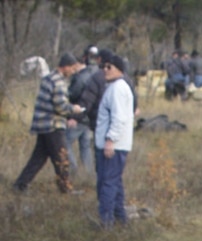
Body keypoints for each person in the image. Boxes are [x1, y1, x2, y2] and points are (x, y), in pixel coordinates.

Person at [13, 53, 83, 194]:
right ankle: (65, 188)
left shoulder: (48, 78)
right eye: (72, 68)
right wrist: (74, 109)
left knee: (38, 158)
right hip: (53, 125)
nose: (73, 71)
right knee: (61, 157)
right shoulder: (58, 82)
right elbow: (61, 106)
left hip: (42, 124)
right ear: (65, 67)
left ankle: (20, 184)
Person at [93, 53, 134, 228]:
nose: (105, 70)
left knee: (107, 184)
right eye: (103, 66)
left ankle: (106, 222)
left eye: (109, 67)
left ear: (119, 69)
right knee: (114, 183)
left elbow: (119, 118)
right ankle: (120, 220)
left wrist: (110, 140)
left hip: (113, 146)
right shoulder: (115, 87)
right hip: (114, 144)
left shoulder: (118, 89)